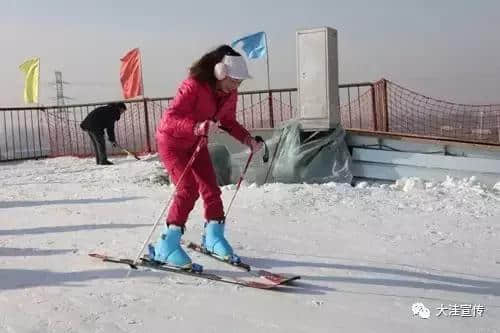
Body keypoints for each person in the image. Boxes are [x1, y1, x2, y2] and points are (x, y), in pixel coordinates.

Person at [149, 45, 263, 269]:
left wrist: (248, 140)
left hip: (196, 143)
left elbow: (228, 121)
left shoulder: (230, 94)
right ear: (219, 72)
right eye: (233, 80)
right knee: (187, 188)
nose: (236, 86)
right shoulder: (193, 86)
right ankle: (167, 245)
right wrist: (197, 126)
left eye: (239, 82)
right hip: (172, 142)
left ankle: (213, 237)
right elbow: (169, 120)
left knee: (211, 187)